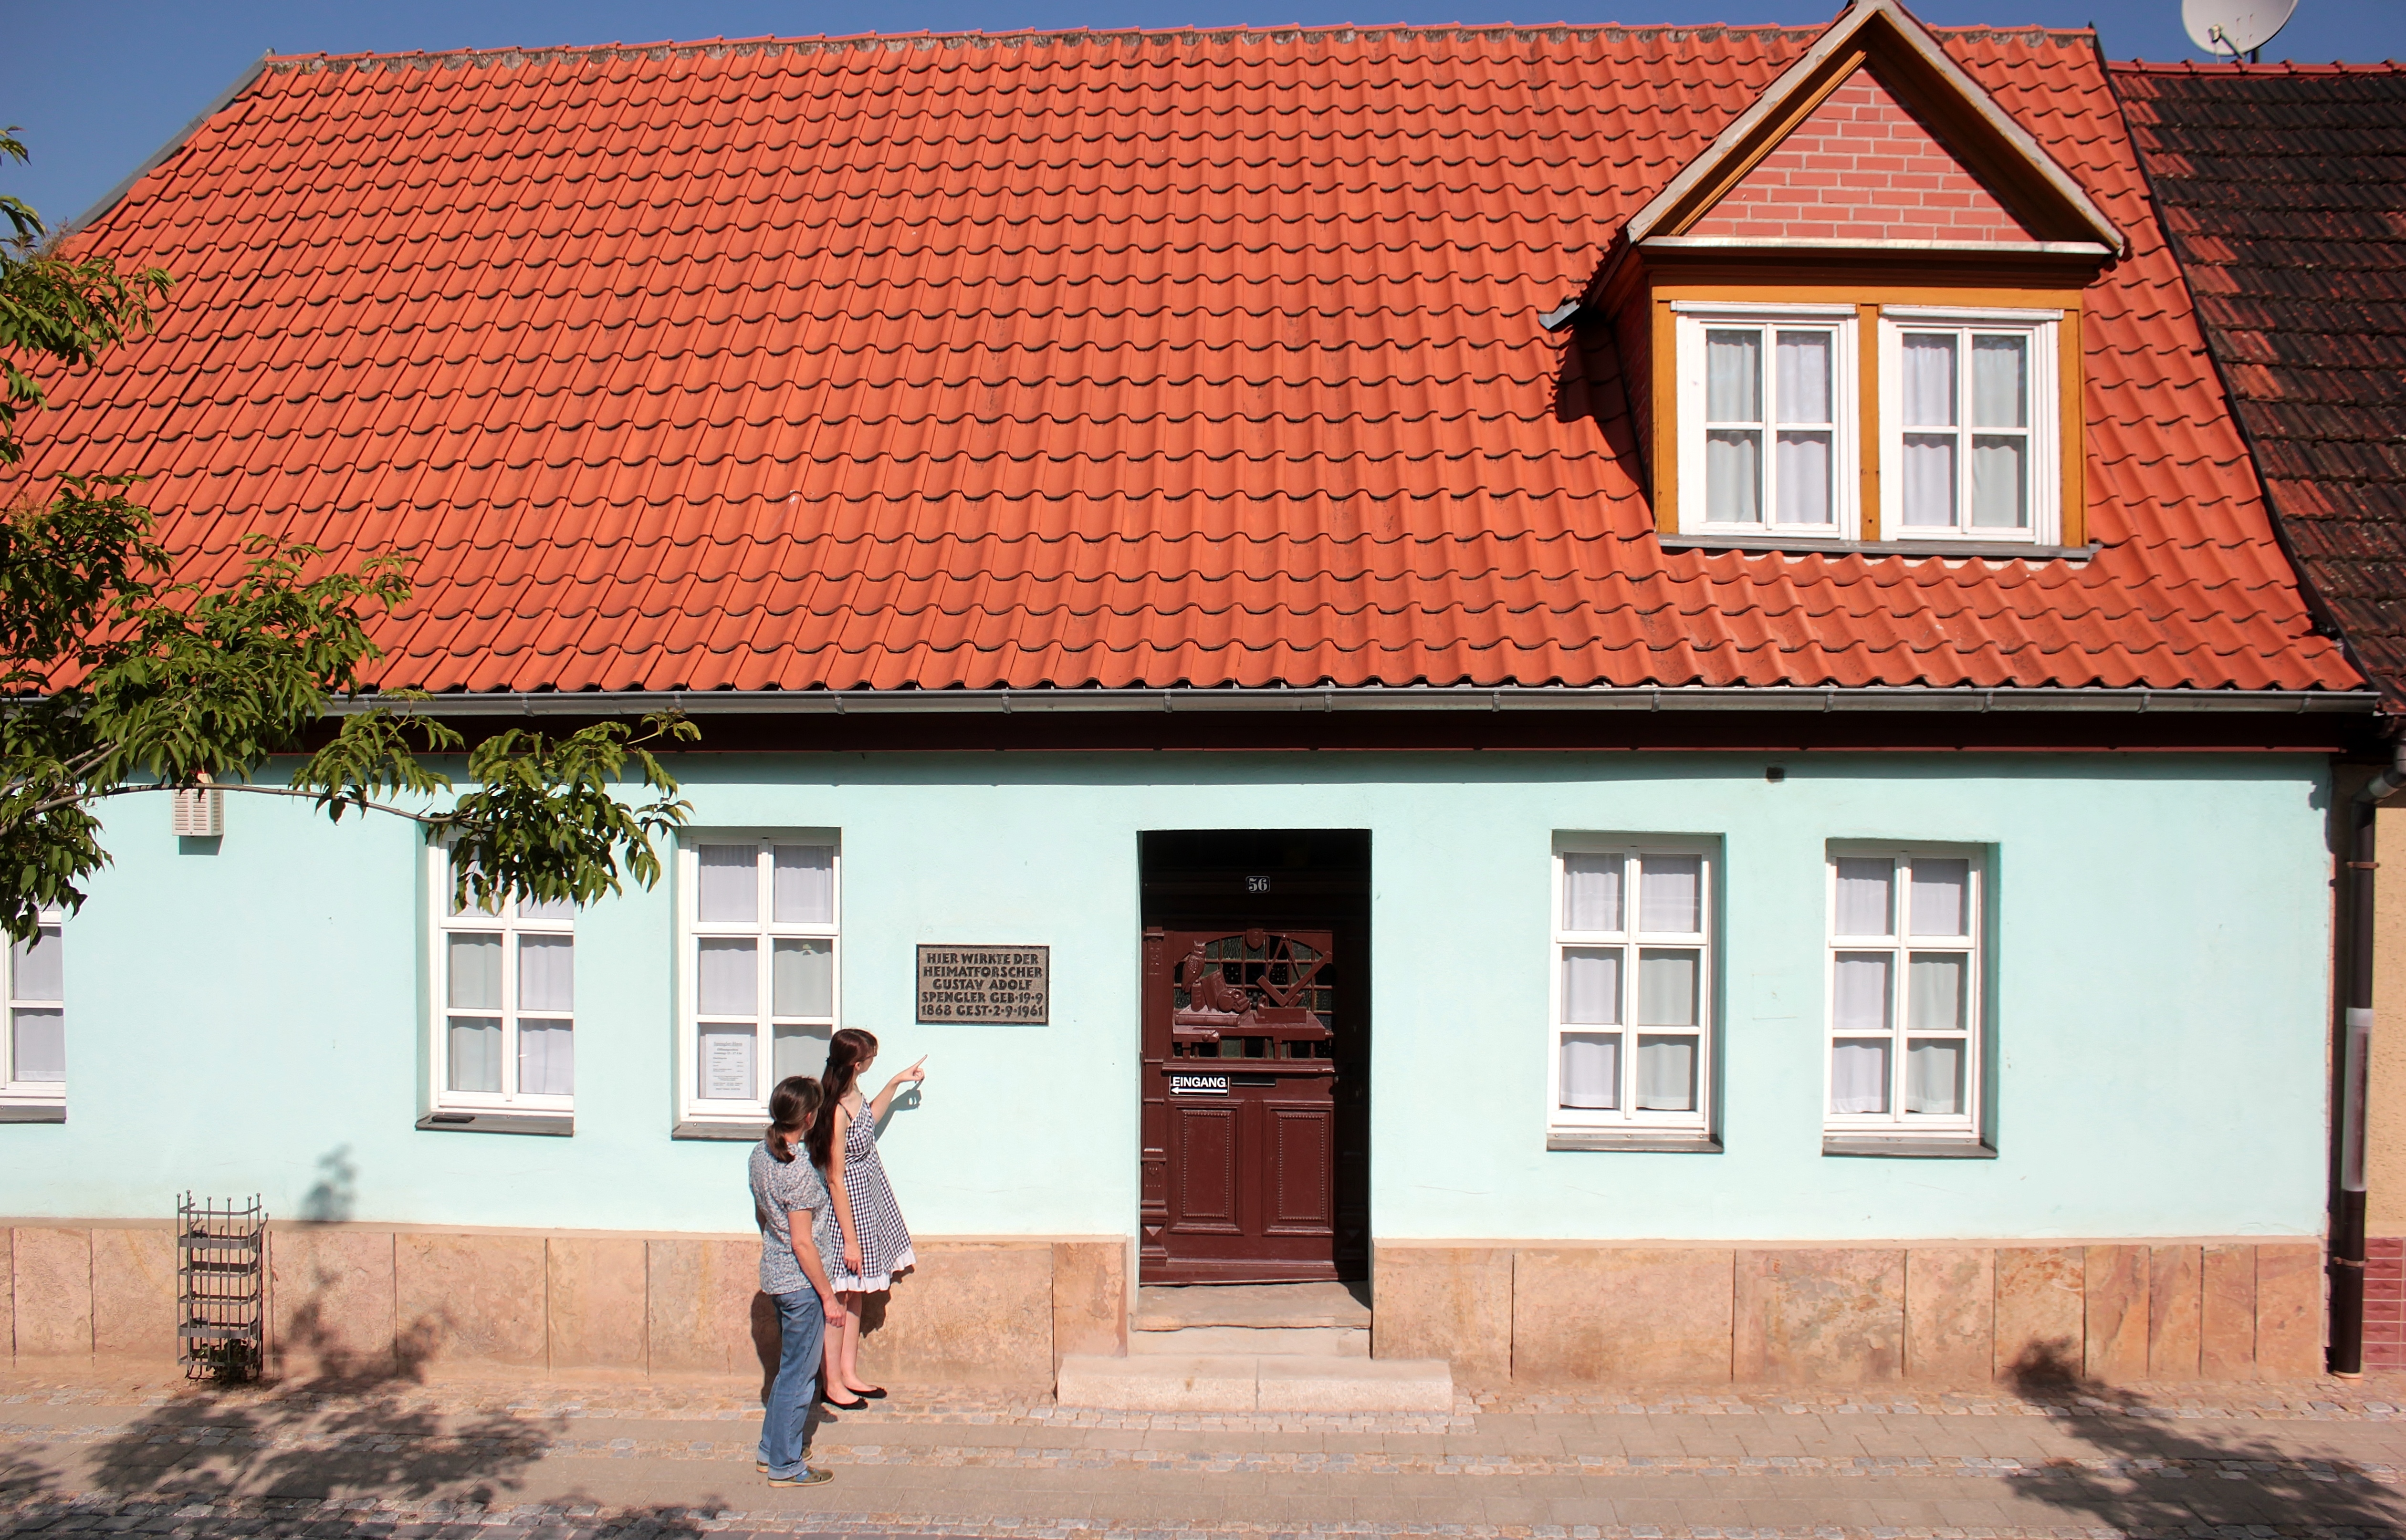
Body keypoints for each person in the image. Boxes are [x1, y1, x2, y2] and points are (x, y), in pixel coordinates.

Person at [806, 1028, 923, 1407]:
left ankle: (849, 1373)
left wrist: (894, 1084)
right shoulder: (836, 1109)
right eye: (872, 1056)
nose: (874, 1059)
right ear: (858, 1064)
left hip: (868, 1196)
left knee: (854, 1294)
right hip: (848, 1208)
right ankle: (832, 1382)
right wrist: (851, 1239)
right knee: (838, 1298)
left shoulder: (852, 1096)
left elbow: (869, 1119)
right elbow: (835, 1178)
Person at [749, 1074, 843, 1487]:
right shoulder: (799, 1170)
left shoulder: (760, 1154)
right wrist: (829, 1297)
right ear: (808, 1118)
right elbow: (804, 1244)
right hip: (801, 1283)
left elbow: (762, 1215)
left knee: (788, 1370)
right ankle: (786, 1465)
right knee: (798, 1376)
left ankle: (770, 1451)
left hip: (775, 1273)